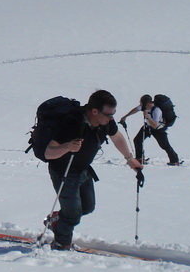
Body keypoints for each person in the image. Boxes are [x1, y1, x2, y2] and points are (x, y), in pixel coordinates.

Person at [46, 89, 143, 250]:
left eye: (113, 114)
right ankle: (61, 243)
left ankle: (57, 221)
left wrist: (130, 159)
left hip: (84, 170)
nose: (111, 118)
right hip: (64, 172)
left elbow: (116, 137)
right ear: (94, 111)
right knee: (72, 213)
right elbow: (49, 152)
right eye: (108, 115)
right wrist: (67, 146)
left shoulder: (106, 122)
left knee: (88, 207)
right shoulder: (73, 122)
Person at [119, 94, 180, 166]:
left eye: (141, 103)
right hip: (148, 127)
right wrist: (125, 117)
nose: (140, 105)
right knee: (137, 140)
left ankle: (175, 160)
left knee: (164, 145)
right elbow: (136, 109)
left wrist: (148, 117)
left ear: (147, 103)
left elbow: (155, 125)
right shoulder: (145, 107)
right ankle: (139, 158)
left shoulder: (157, 110)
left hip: (158, 129)